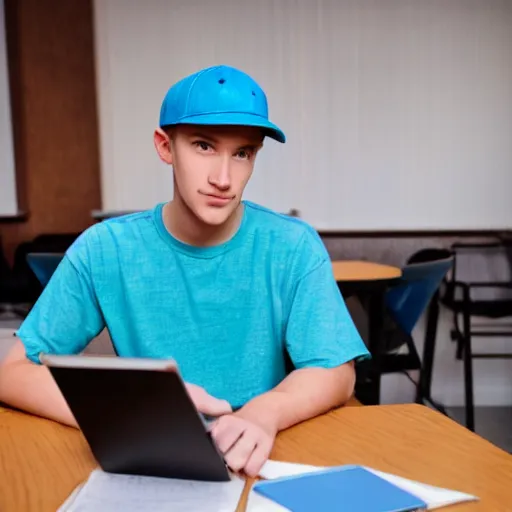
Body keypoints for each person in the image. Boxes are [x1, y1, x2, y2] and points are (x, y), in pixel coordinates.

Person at [0, 65, 369, 477]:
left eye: (242, 153)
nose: (224, 178)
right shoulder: (104, 249)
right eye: (203, 146)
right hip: (150, 461)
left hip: (266, 457)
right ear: (165, 146)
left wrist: (266, 411)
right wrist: (136, 407)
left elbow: (338, 372)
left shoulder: (293, 245)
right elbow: (13, 373)